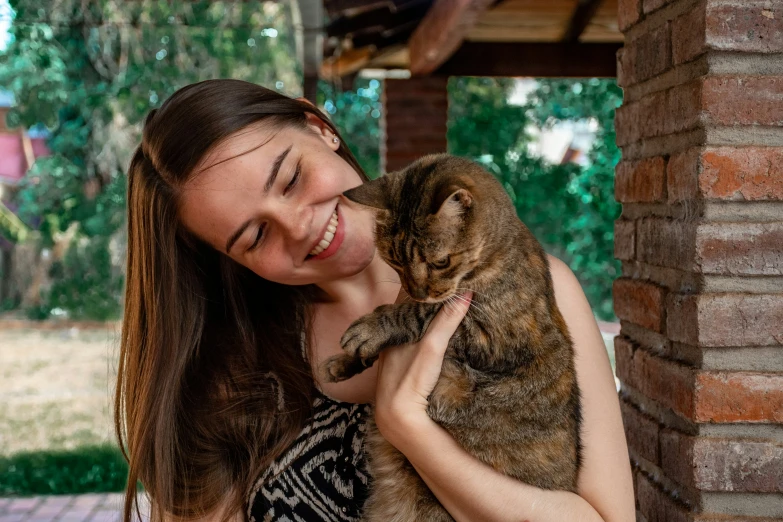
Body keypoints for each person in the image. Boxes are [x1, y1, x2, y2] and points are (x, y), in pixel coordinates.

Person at [115, 79, 635, 522]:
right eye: (254, 236)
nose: (300, 227)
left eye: (292, 178)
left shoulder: (542, 291)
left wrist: (408, 428)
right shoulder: (229, 371)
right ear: (231, 260)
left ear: (319, 126)